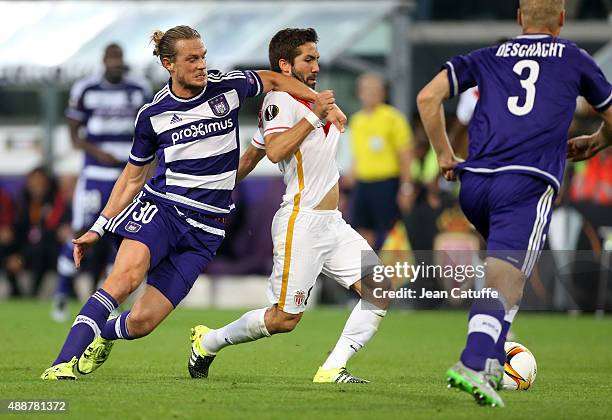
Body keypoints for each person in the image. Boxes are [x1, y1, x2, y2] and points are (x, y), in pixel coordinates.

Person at [40, 25, 345, 381]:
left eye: (203, 56)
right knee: (124, 278)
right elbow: (133, 177)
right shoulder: (153, 115)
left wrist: (320, 104)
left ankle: (105, 334)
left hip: (207, 229)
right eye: (191, 59)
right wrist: (98, 226)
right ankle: (62, 363)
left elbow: (275, 80)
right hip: (163, 209)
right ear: (169, 64)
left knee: (142, 322)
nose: (201, 65)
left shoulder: (227, 86)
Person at [417, 0, 612, 407]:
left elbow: (427, 98)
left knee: (513, 276)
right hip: (525, 183)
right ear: (561, 19)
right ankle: (472, 363)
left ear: (520, 18)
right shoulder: (574, 58)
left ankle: (489, 361)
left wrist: (445, 155)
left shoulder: (488, 56)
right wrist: (597, 141)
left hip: (474, 186)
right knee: (503, 280)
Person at [187, 28, 385, 384]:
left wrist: (222, 186)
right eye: (308, 59)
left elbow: (252, 153)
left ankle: (332, 368)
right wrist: (317, 116)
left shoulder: (311, 99)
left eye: (317, 59)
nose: (316, 66)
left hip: (332, 224)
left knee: (380, 289)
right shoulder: (279, 101)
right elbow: (275, 150)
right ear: (284, 64)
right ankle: (209, 341)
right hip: (301, 222)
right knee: (283, 320)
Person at [51, 44, 152, 322]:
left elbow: (150, 129)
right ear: (104, 61)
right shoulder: (86, 89)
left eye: (120, 60)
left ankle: (112, 301)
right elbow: (74, 136)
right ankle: (60, 294)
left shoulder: (139, 89)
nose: (116, 65)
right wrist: (98, 153)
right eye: (112, 60)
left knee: (121, 235)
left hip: (127, 178)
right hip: (95, 175)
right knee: (82, 229)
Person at [348, 72, 414, 250]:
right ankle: (368, 274)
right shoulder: (356, 120)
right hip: (363, 183)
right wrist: (350, 176)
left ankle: (388, 275)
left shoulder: (393, 117)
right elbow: (357, 154)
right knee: (362, 230)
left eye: (375, 90)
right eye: (366, 90)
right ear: (359, 93)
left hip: (386, 183)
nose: (370, 94)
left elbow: (406, 154)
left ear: (383, 93)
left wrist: (406, 187)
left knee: (389, 231)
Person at [6, 167, 68, 297]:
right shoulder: (22, 203)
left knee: (41, 251)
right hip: (26, 249)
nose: (37, 186)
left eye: (40, 182)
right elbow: (18, 231)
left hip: (48, 250)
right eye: (34, 183)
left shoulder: (56, 203)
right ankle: (15, 293)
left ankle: (34, 294)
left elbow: (54, 231)